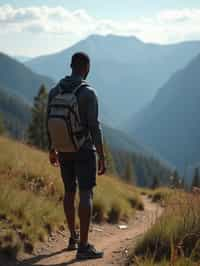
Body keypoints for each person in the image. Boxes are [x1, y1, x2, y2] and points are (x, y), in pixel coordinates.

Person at [46, 52, 106, 260]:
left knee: (69, 192)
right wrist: (102, 155)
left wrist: (51, 148)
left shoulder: (55, 91)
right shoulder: (88, 93)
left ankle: (72, 237)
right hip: (83, 150)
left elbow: (48, 121)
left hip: (63, 149)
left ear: (70, 65)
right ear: (87, 68)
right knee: (86, 194)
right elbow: (94, 127)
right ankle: (83, 247)